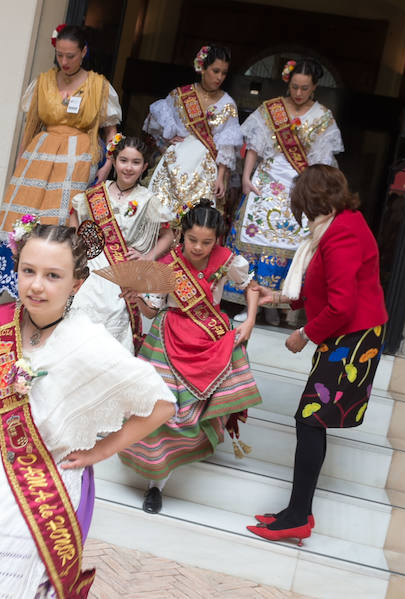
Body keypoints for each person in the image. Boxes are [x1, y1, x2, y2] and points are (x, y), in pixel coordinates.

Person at [0, 223, 175, 597]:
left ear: (77, 283)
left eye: (53, 276)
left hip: (36, 493)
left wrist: (101, 451)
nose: (36, 285)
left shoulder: (89, 343)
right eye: (28, 271)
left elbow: (161, 404)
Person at [246, 165, 387, 546]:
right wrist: (276, 297)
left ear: (311, 201)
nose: (301, 214)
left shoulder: (341, 234)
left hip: (354, 336)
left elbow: (341, 306)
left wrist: (305, 335)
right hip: (349, 334)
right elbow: (325, 290)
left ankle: (297, 515)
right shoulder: (339, 226)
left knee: (310, 421)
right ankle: (298, 511)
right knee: (310, 421)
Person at [118, 199, 263, 514]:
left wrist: (250, 320)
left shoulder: (227, 261)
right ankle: (155, 485)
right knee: (155, 409)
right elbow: (152, 309)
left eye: (207, 242)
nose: (198, 247)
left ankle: (173, 466)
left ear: (217, 240)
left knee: (186, 414)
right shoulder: (169, 264)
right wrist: (138, 298)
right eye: (192, 240)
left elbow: (251, 287)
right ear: (181, 235)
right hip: (167, 337)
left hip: (207, 341)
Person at [0, 24, 121, 298]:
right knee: (25, 217)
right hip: (40, 155)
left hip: (78, 157)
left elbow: (111, 130)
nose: (65, 62)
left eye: (71, 55)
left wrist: (108, 163)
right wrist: (20, 162)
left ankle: (57, 283)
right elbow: (30, 126)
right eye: (60, 55)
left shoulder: (99, 86)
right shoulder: (43, 81)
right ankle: (22, 281)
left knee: (63, 218)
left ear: (84, 52)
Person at [224, 58, 343, 326]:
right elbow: (254, 145)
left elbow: (322, 161)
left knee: (294, 246)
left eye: (304, 88)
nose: (298, 93)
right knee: (253, 239)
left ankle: (281, 307)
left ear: (314, 87)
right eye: (294, 87)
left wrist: (318, 194)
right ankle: (251, 300)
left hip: (301, 188)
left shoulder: (322, 117)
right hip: (266, 182)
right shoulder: (271, 109)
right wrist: (246, 177)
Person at [68, 135, 174, 352]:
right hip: (92, 268)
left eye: (136, 162)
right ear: (114, 161)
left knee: (113, 327)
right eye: (123, 160)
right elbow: (74, 216)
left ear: (145, 166)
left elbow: (168, 235)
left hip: (124, 272)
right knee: (81, 318)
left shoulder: (148, 200)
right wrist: (76, 249)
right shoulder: (96, 193)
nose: (129, 167)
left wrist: (148, 256)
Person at [143, 44, 242, 216]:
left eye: (224, 73)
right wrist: (168, 140)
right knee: (162, 214)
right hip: (175, 163)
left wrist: (221, 177)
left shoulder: (228, 104)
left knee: (196, 218)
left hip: (205, 169)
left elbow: (227, 145)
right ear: (202, 68)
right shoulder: (180, 95)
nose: (220, 77)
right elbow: (157, 124)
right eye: (215, 71)